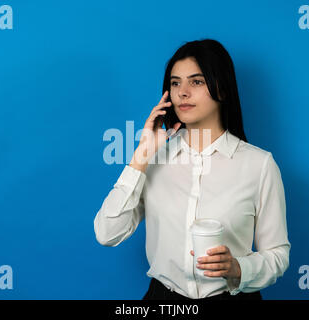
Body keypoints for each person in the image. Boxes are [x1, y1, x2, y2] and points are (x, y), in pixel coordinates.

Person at [94, 39, 290, 300]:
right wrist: (141, 155)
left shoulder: (259, 165)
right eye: (175, 83)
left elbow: (277, 255)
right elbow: (107, 234)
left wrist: (238, 268)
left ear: (221, 86)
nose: (182, 92)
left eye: (196, 82)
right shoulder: (153, 158)